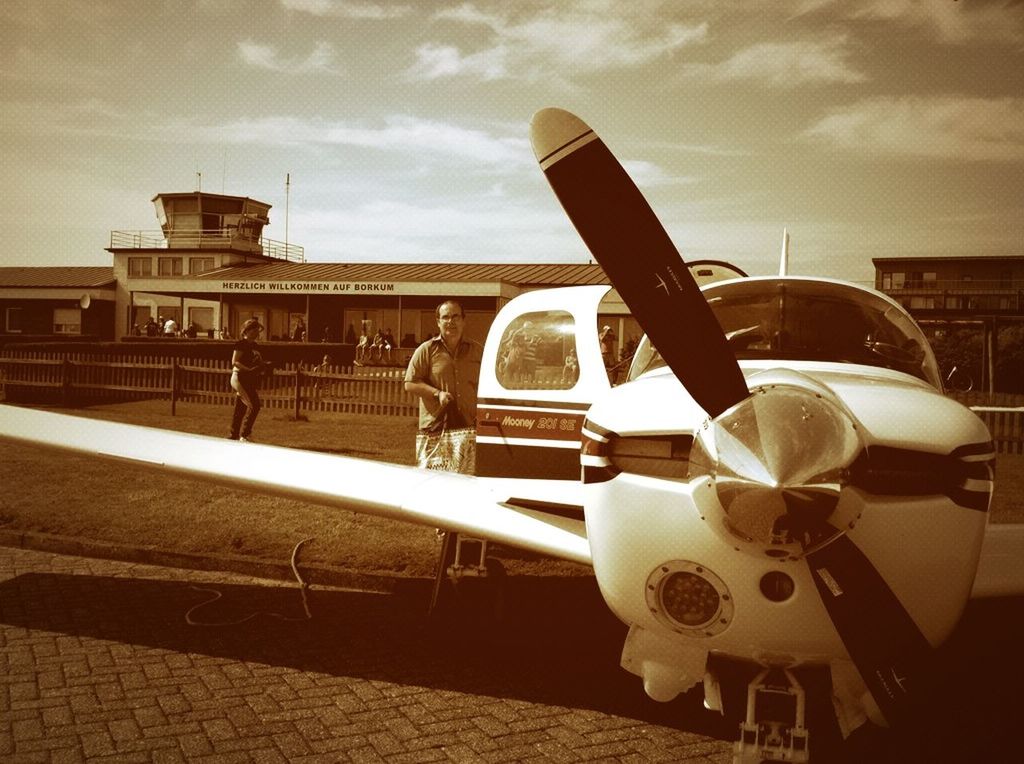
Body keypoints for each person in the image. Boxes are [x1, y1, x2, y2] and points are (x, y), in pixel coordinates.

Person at [404, 299, 482, 474]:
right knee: (432, 479)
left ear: (463, 320)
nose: (451, 321)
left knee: (466, 480)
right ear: (438, 322)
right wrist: (436, 393)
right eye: (445, 317)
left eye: (455, 316)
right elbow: (410, 383)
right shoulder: (426, 350)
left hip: (467, 428)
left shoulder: (477, 351)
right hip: (435, 429)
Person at [228, 318, 269, 442]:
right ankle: (245, 435)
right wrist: (248, 369)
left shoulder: (255, 346)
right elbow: (234, 362)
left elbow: (258, 362)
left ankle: (234, 434)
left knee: (240, 407)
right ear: (248, 330)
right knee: (254, 405)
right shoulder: (241, 344)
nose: (258, 332)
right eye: (255, 329)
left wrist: (264, 365)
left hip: (247, 378)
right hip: (239, 377)